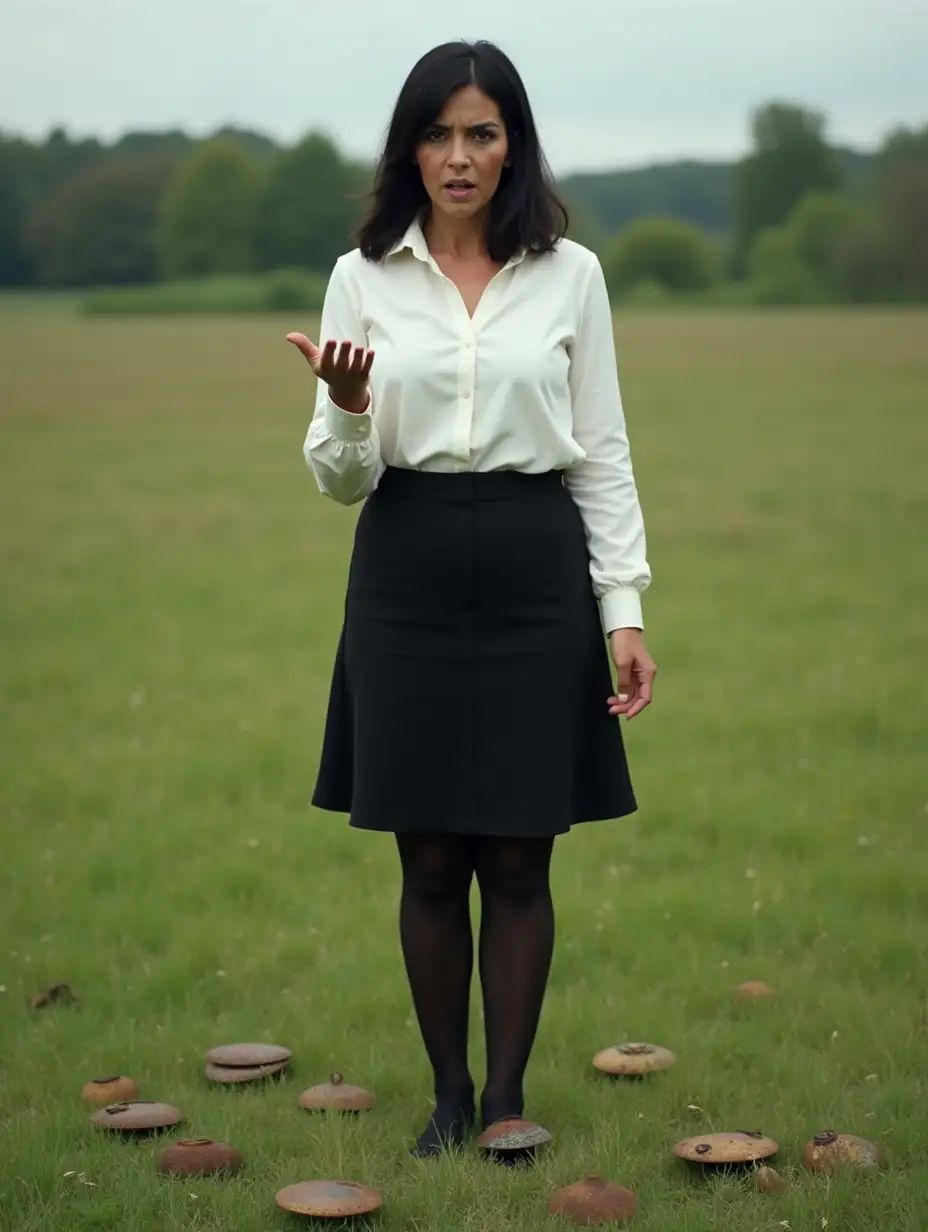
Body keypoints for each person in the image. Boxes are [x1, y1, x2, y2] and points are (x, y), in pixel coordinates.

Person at [287, 39, 657, 1159]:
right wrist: (349, 408)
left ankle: (504, 1096)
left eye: (481, 133)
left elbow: (600, 449)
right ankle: (446, 1096)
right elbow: (338, 478)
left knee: (518, 851)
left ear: (512, 144)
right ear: (411, 145)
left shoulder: (571, 274)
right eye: (439, 133)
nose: (459, 156)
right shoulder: (363, 275)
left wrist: (622, 608)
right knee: (430, 854)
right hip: (403, 568)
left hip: (535, 569)